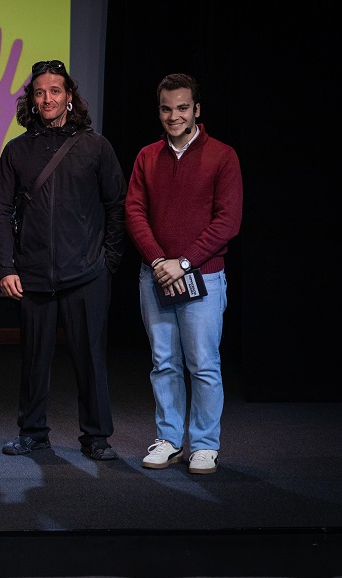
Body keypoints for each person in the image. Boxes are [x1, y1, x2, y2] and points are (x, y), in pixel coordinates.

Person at [0, 59, 126, 461]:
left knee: (91, 358)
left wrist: (108, 262)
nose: (47, 98)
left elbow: (117, 205)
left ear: (69, 97)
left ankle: (97, 437)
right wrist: (6, 268)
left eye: (54, 90)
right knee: (33, 360)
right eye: (39, 92)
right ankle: (32, 433)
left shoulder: (95, 146)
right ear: (31, 99)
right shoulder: (16, 150)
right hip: (31, 275)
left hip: (87, 273)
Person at [126, 73, 243, 475]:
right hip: (154, 276)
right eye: (166, 108)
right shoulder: (147, 156)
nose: (173, 116)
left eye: (181, 108)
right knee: (163, 363)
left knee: (203, 364)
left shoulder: (222, 156)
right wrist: (160, 261)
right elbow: (134, 212)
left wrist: (185, 262)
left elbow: (227, 221)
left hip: (203, 278)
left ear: (196, 110)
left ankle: (205, 445)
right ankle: (170, 439)